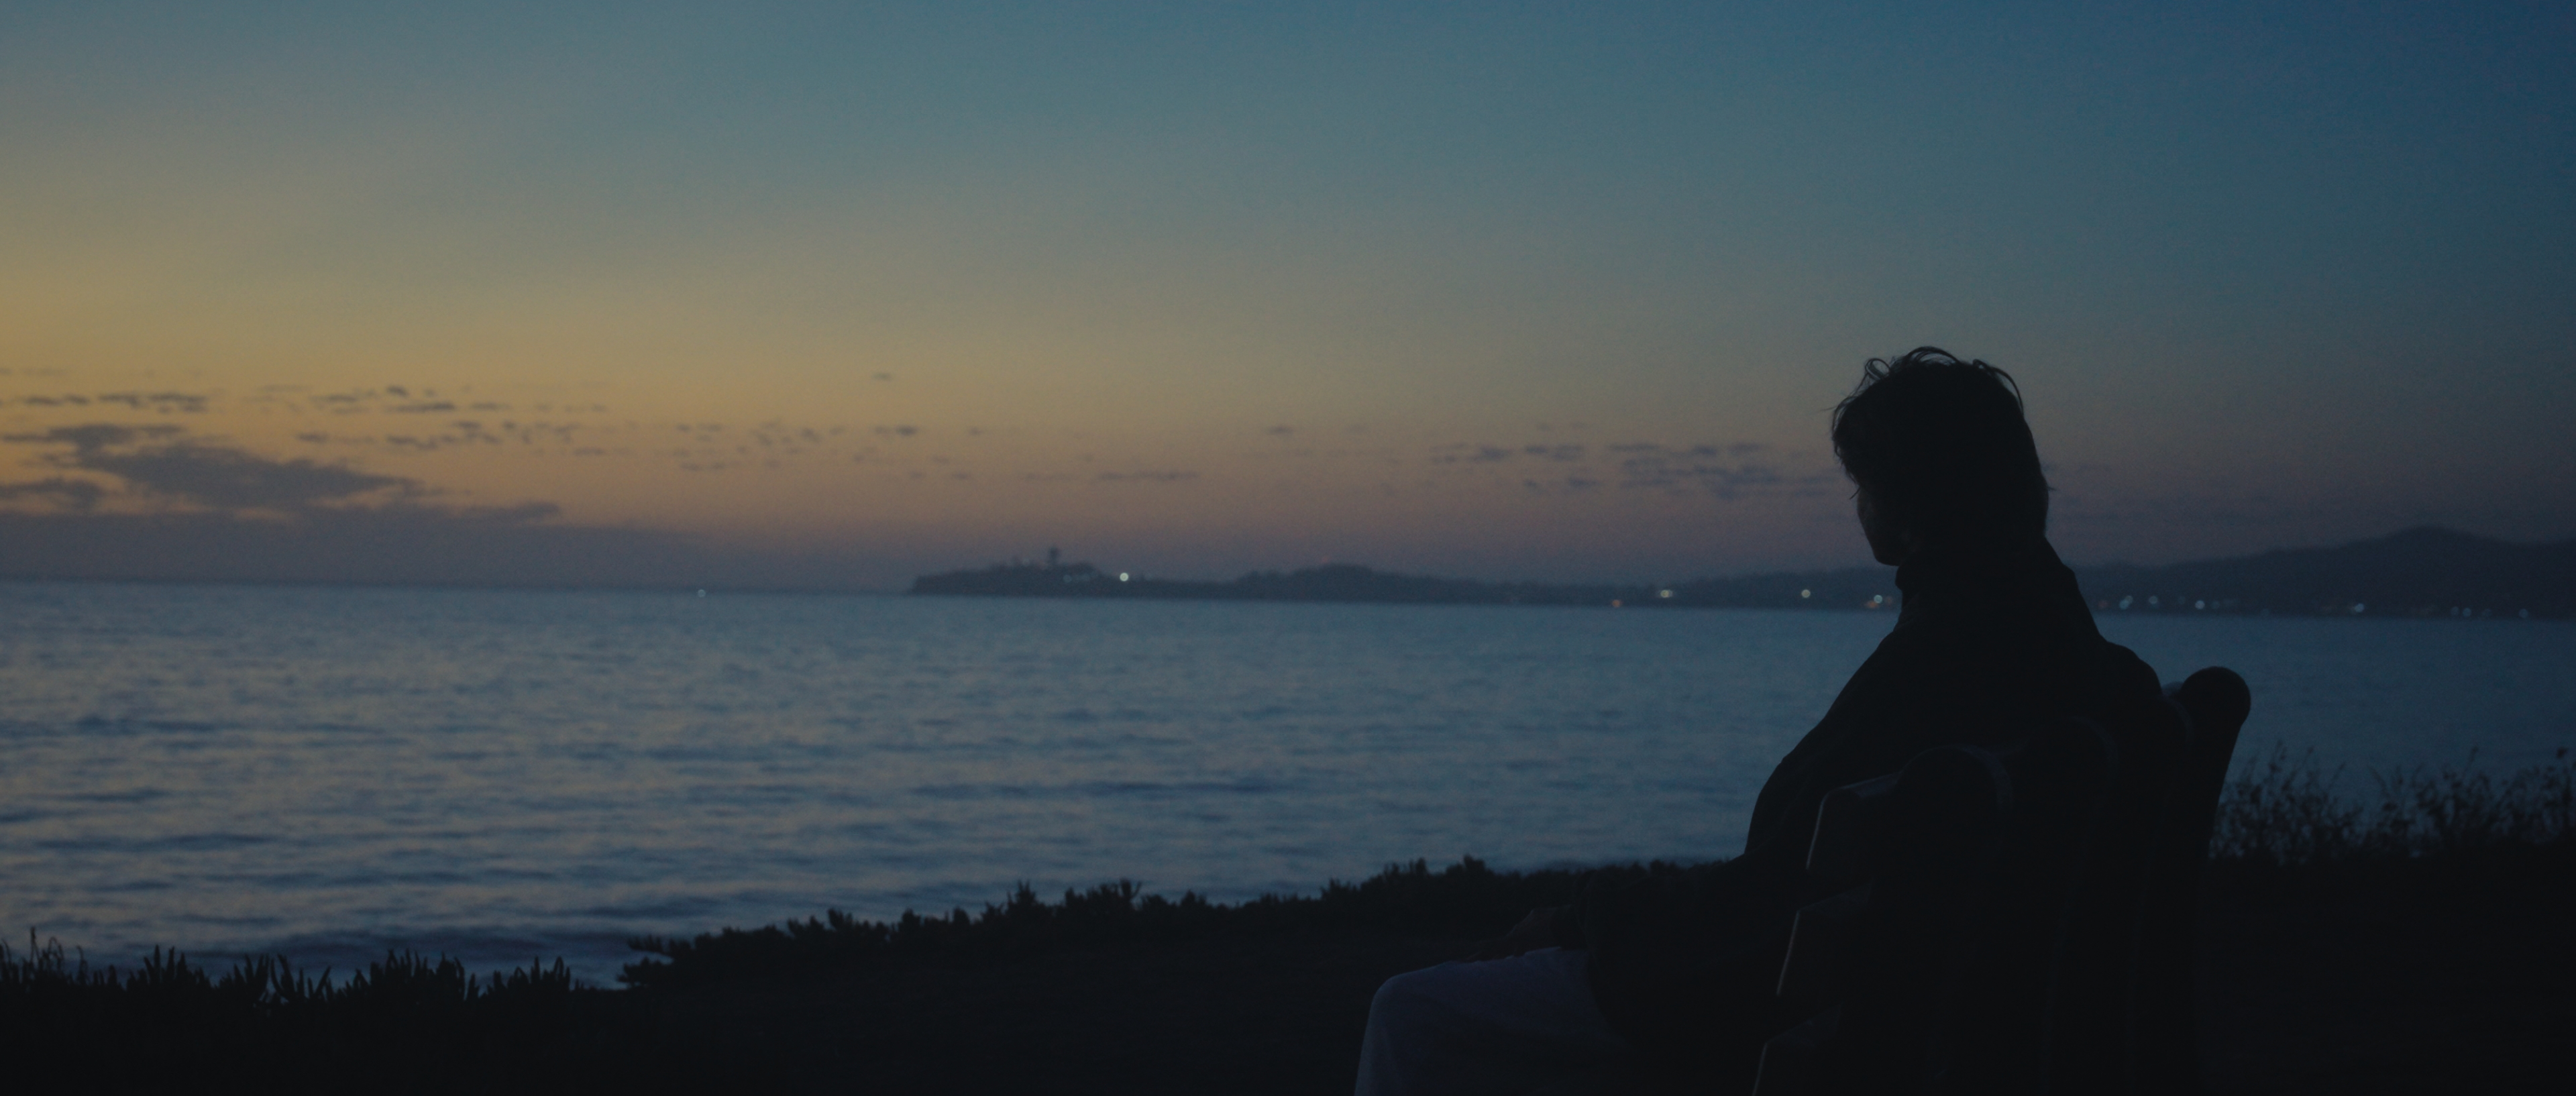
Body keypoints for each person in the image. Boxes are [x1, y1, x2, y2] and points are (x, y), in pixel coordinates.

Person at [1355, 349, 2162, 1095]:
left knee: (1412, 1011)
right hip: (1949, 1011)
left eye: (1863, 482)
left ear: (1907, 495)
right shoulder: (2066, 648)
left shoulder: (1940, 659)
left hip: (1774, 1015)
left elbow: (1764, 896)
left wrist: (1578, 917)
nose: (1857, 502)